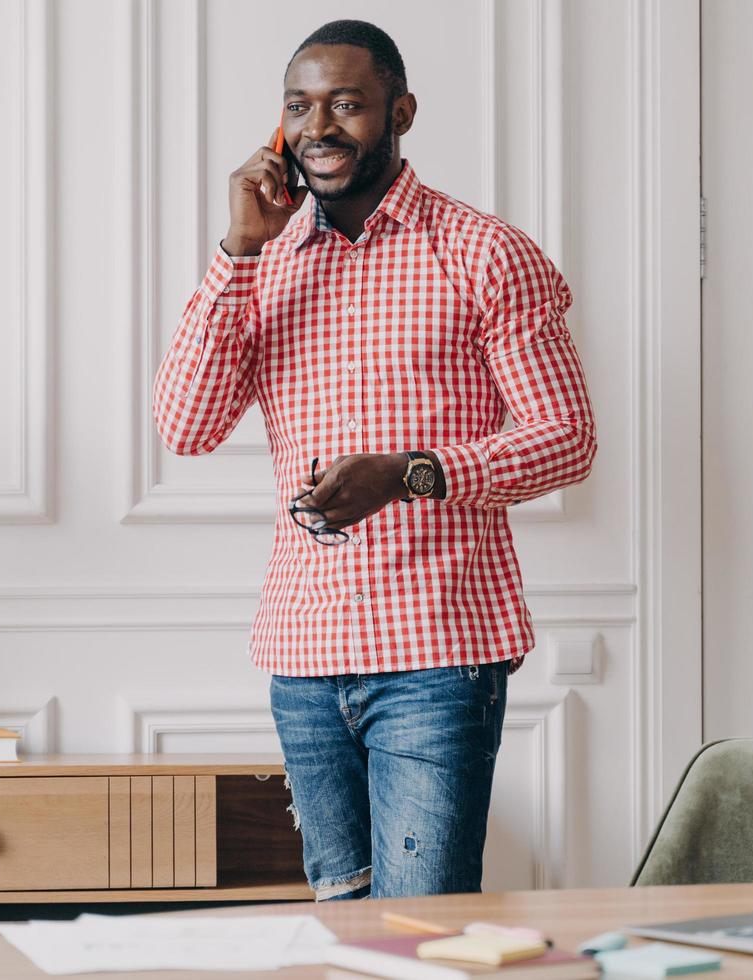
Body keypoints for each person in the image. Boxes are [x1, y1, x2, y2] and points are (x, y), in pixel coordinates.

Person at [152, 19, 596, 900]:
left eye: (347, 104)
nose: (320, 126)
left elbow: (565, 438)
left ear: (401, 112)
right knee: (340, 922)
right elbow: (187, 425)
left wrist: (406, 473)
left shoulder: (484, 253)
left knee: (418, 929)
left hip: (438, 655)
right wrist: (238, 250)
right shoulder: (263, 263)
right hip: (304, 653)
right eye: (300, 106)